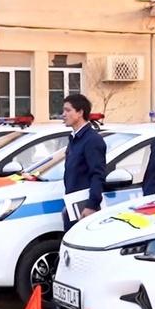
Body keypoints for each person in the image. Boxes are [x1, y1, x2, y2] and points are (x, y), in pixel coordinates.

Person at [61, 93, 106, 231]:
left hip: (85, 208)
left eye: (68, 110)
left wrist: (91, 205)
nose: (64, 114)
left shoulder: (92, 140)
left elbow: (97, 175)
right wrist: (68, 206)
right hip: (73, 205)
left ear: (80, 112)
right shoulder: (74, 138)